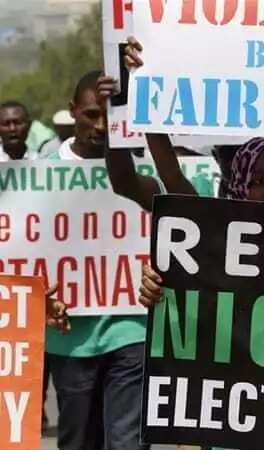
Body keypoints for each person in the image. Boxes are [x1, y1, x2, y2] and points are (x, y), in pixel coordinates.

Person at [45, 70, 150, 450]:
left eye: (110, 115)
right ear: (73, 112)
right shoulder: (40, 174)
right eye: (91, 114)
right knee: (77, 441)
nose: (101, 125)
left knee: (126, 441)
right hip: (69, 336)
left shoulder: (141, 167)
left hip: (131, 328)